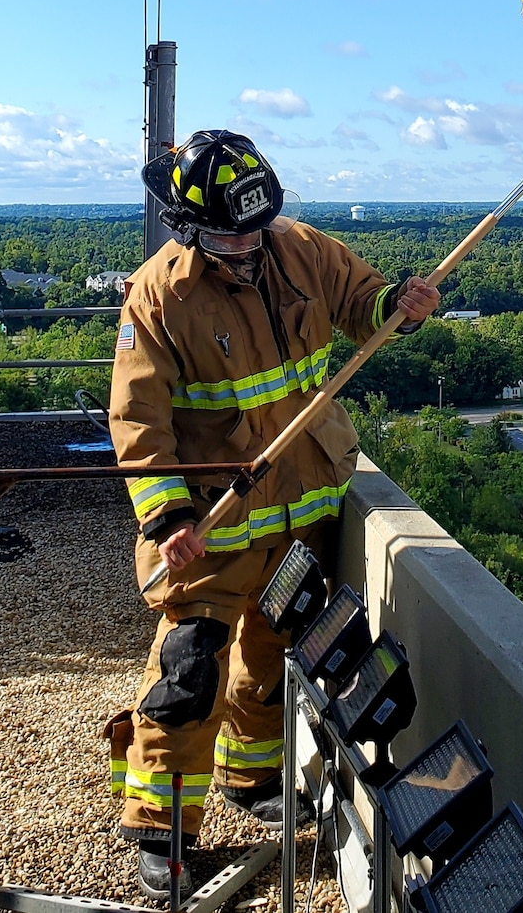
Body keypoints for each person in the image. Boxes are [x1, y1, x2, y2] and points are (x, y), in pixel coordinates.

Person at [104, 130, 438, 901]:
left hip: (304, 507)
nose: (250, 244)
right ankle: (160, 824)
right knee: (190, 669)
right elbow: (139, 419)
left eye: (257, 226)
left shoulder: (304, 250)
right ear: (190, 228)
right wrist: (166, 519)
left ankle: (249, 777)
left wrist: (402, 305)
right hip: (216, 527)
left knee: (273, 652)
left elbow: (365, 306)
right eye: (232, 233)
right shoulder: (158, 297)